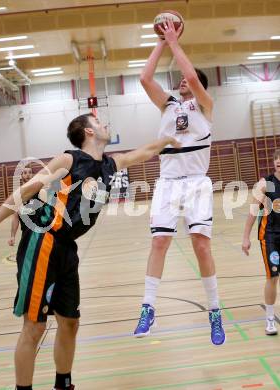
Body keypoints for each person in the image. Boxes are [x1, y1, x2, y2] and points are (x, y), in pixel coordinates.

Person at [0, 113, 180, 390]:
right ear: (88, 132)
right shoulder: (68, 160)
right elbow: (28, 188)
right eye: (99, 122)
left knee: (70, 322)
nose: (105, 124)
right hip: (43, 241)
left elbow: (143, 152)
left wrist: (169, 138)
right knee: (34, 327)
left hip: (67, 248)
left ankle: (64, 384)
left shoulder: (108, 164)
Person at [133, 18, 225, 346]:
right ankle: (148, 307)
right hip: (168, 182)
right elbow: (144, 78)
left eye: (189, 82)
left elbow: (189, 75)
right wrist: (160, 41)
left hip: (196, 183)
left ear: (198, 86)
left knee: (201, 243)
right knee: (159, 243)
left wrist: (175, 40)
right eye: (183, 83)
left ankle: (214, 310)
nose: (183, 84)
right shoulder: (169, 106)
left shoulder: (206, 106)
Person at [242, 149, 280, 336]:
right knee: (273, 277)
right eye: (276, 159)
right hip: (270, 237)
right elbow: (252, 212)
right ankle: (270, 319)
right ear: (273, 163)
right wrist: (245, 237)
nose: (278, 161)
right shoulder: (266, 184)